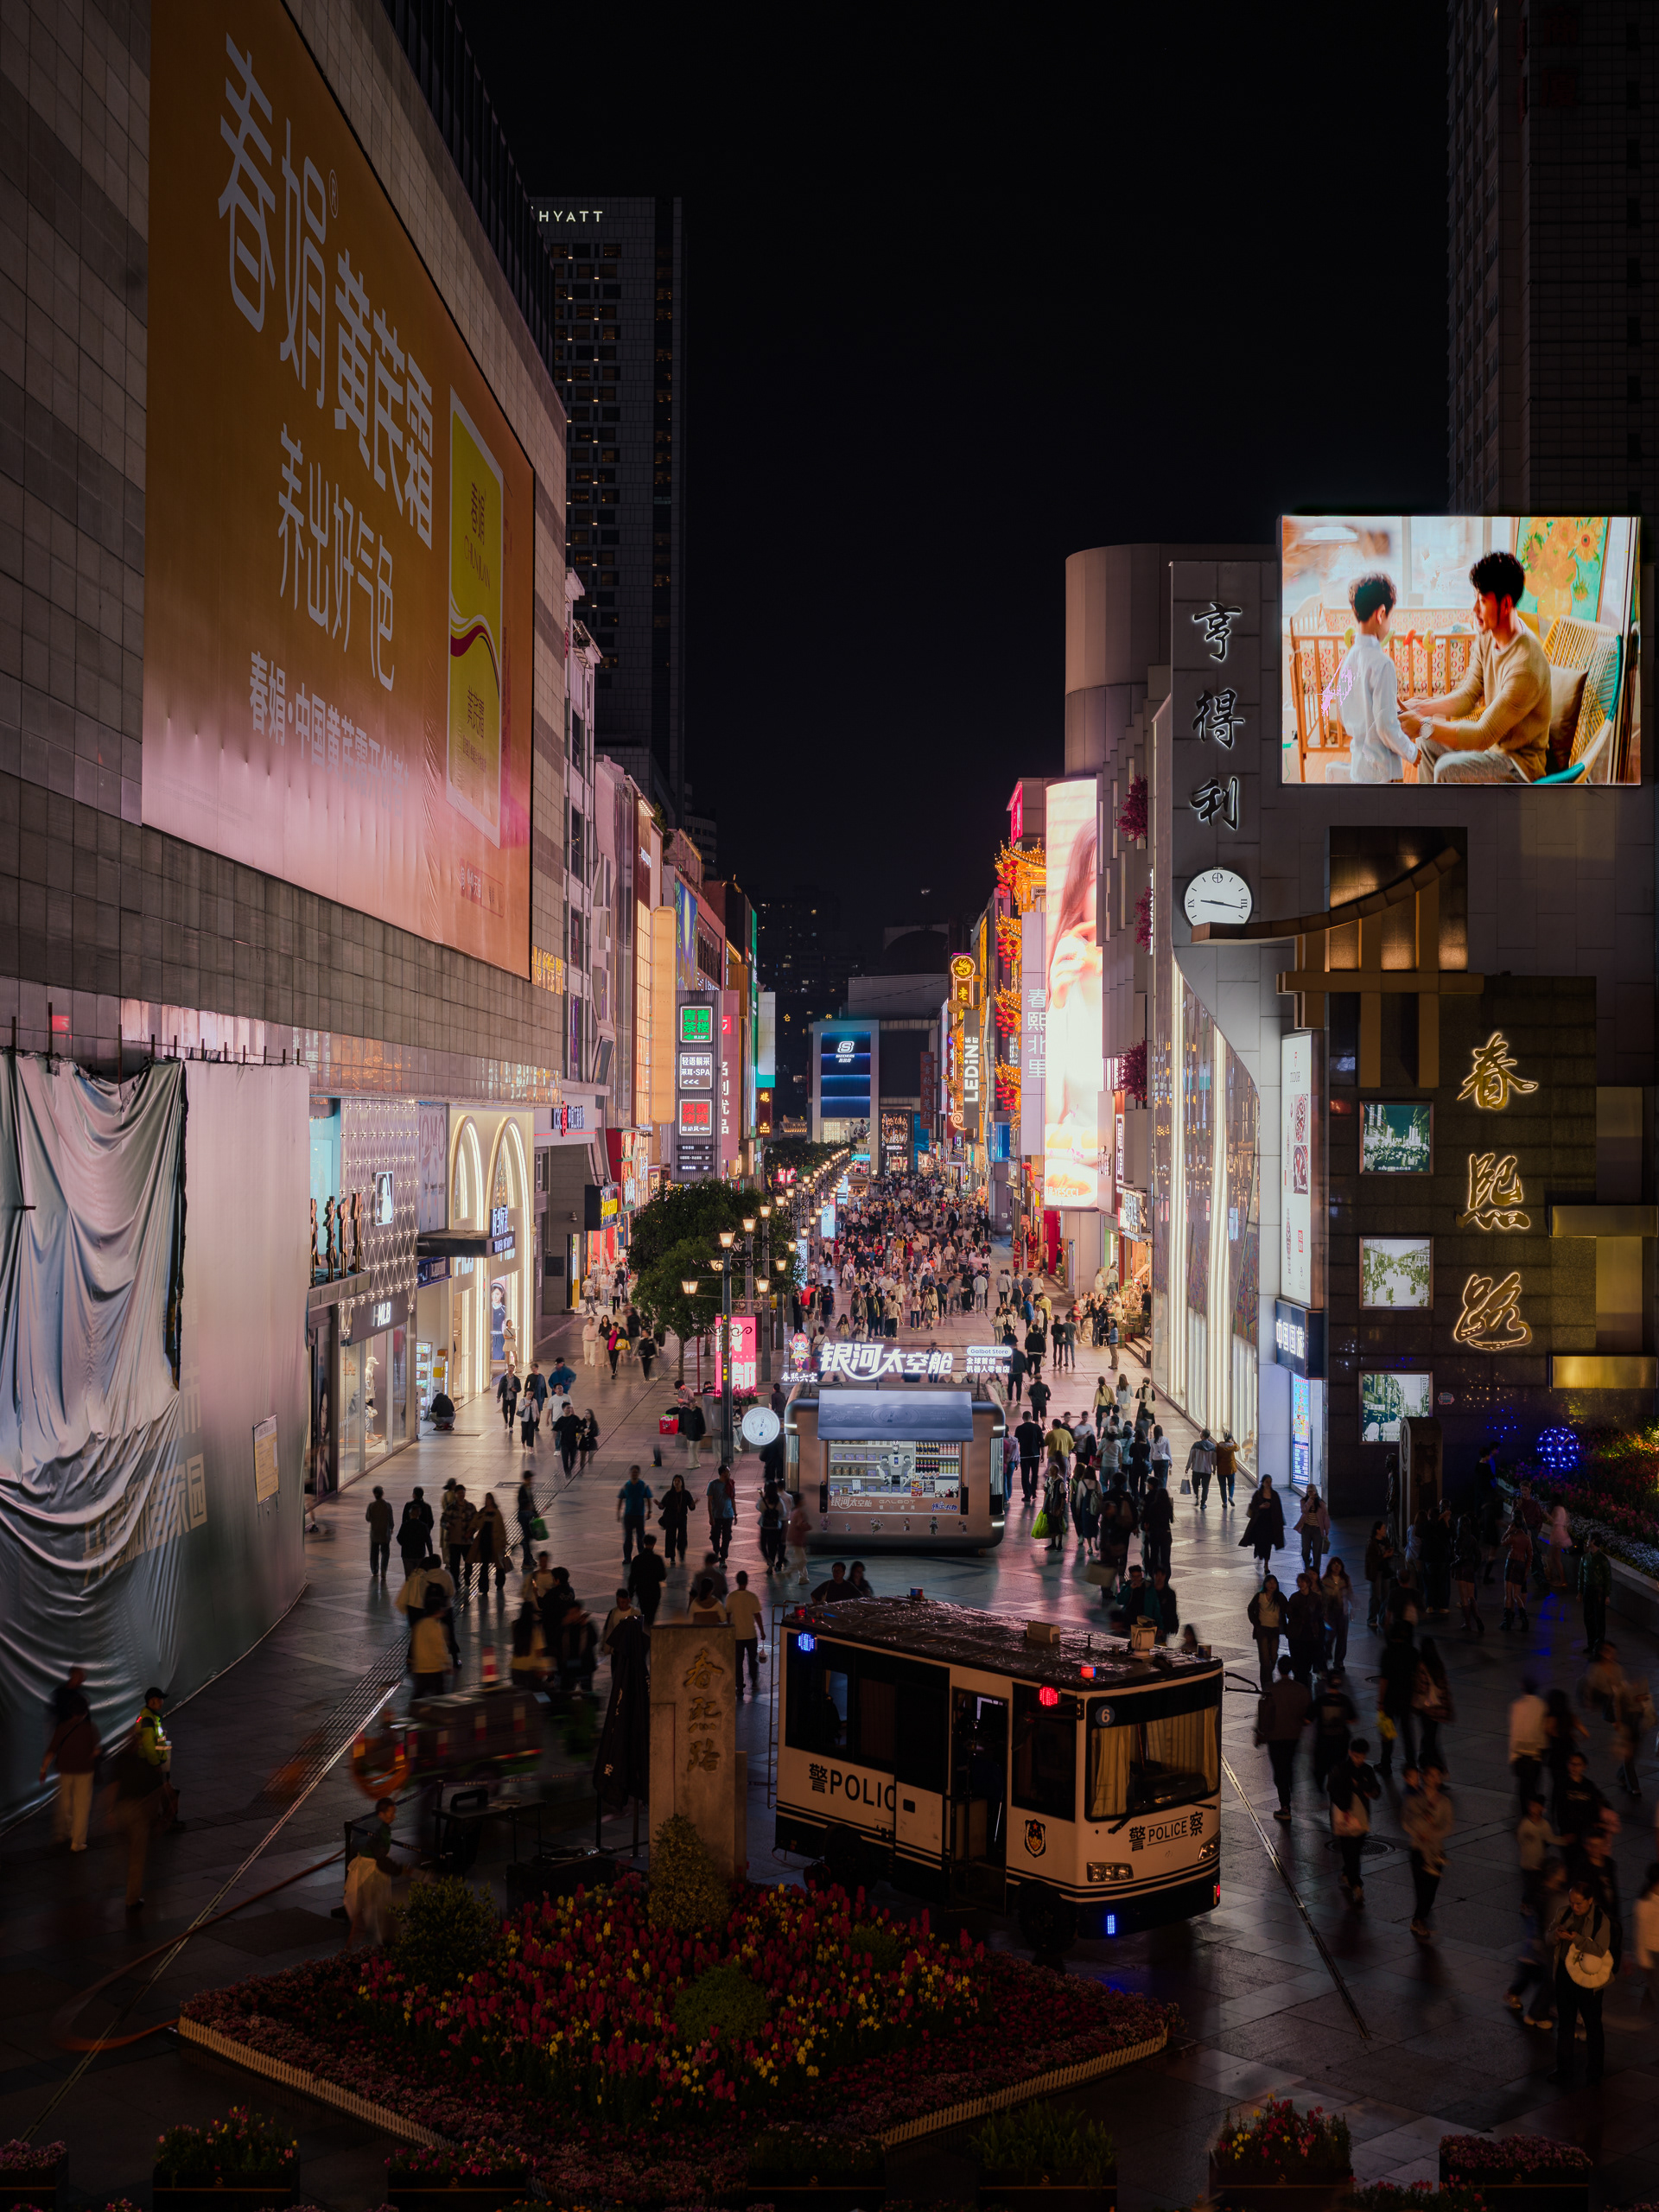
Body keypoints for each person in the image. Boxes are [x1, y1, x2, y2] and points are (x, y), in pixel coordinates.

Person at [1401, 546, 1553, 785]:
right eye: (1475, 598)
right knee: (1428, 744)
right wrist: (1423, 707)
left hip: (1519, 765)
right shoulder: (1487, 635)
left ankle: (1452, 822)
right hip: (1492, 748)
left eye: (1482, 601)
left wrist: (1422, 725)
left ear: (1505, 605)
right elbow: (1469, 694)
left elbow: (1482, 735)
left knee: (1447, 768)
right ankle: (1432, 817)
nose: (1474, 610)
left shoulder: (1526, 667)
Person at [1331, 570, 1418, 783]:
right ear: (1381, 614)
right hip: (1383, 770)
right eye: (1390, 616)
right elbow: (1385, 726)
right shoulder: (1383, 664)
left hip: (1359, 768)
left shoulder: (1349, 659)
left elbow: (1346, 711)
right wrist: (1412, 752)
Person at [1548, 1874, 1612, 2087]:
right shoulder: (1562, 1913)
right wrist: (1556, 1936)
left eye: (1579, 1903)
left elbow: (1600, 1949)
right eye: (1572, 1902)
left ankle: (1594, 2071)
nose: (1574, 1907)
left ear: (1590, 1900)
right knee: (1565, 2026)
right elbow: (1547, 1938)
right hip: (1565, 1979)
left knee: (1593, 2027)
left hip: (1589, 1984)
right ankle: (1563, 2069)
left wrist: (1576, 1939)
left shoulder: (1601, 1921)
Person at [40, 1681, 99, 1852]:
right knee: (82, 1805)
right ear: (85, 1711)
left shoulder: (62, 1727)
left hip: (65, 1770)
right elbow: (96, 1750)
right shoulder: (90, 1728)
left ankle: (65, 1831)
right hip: (84, 1771)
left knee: (65, 1803)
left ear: (71, 1711)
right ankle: (78, 1842)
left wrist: (43, 1770)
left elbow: (51, 1751)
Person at [1402, 1762, 1453, 1941]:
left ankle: (1420, 1918)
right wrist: (1419, 1832)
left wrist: (1433, 1834)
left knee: (1431, 1889)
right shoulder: (1415, 1797)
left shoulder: (1444, 1802)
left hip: (1436, 1850)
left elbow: (1447, 1825)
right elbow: (1406, 1821)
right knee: (1421, 1887)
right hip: (1418, 1848)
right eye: (1431, 1775)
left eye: (1438, 1776)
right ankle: (1419, 1919)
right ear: (1424, 1777)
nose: (1435, 1779)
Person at [1257, 1656, 1312, 1821]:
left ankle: (1285, 1805)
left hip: (1276, 1736)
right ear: (1292, 1668)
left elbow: (1264, 1715)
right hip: (1294, 1735)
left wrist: (1261, 1734)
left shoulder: (1271, 1690)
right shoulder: (1301, 1689)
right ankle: (1290, 1788)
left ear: (1278, 1670)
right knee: (1289, 1764)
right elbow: (1308, 1713)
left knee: (1279, 1770)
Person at [1328, 1735, 1380, 1904]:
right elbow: (1333, 1790)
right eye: (1357, 1756)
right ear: (1350, 1753)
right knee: (1351, 1852)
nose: (1360, 1760)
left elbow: (1376, 1790)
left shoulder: (1367, 1770)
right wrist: (1345, 1805)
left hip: (1362, 1817)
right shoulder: (1341, 1769)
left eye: (1363, 1757)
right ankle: (1356, 1885)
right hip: (1344, 1817)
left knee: (1355, 1851)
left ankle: (1347, 1873)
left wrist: (1369, 1790)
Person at [1412, 1636, 1454, 1771]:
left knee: (1430, 1740)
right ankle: (1426, 1762)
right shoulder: (1438, 1664)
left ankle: (1436, 1768)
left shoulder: (1422, 1665)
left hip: (1427, 1708)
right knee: (1431, 1737)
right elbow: (1445, 1686)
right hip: (1439, 1708)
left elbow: (1421, 1688)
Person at [1509, 1675, 1548, 1814]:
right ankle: (1535, 1811)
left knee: (1523, 1787)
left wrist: (1512, 1756)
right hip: (1536, 1754)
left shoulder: (1517, 1705)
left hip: (1521, 1754)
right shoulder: (1542, 1705)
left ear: (1522, 1687)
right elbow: (1543, 1731)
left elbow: (1515, 1732)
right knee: (1534, 1785)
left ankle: (1525, 1812)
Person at [728, 1569, 766, 1700]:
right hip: (750, 1635)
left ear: (737, 1581)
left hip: (737, 1636)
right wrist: (762, 1631)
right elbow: (757, 1616)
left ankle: (739, 1687)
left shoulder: (731, 1597)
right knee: (752, 1660)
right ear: (747, 1582)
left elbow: (727, 1615)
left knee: (738, 1662)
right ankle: (754, 1681)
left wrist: (729, 1630)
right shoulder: (752, 1597)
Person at [1248, 1574, 1286, 1692]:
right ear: (1265, 1584)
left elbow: (1287, 1608)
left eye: (1274, 1582)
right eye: (1269, 1582)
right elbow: (1250, 1609)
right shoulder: (1260, 1596)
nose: (1271, 1585)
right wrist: (1256, 1623)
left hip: (1274, 1630)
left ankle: (1267, 1678)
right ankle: (1266, 1684)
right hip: (1262, 1630)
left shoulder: (1279, 1597)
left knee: (1273, 1657)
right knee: (1264, 1658)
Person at [1242, 1478, 1285, 1580]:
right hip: (1259, 1523)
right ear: (1263, 1483)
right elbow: (1253, 1506)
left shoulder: (1274, 1495)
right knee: (1260, 1543)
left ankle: (1266, 1564)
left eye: (1270, 1481)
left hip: (1270, 1524)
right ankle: (1260, 1555)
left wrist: (1281, 1524)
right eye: (1267, 1482)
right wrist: (1261, 1506)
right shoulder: (1258, 1494)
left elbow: (1278, 1510)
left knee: (1268, 1544)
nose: (1269, 1484)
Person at [442, 1484, 477, 1602]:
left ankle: (467, 1576)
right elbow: (443, 1521)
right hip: (454, 1541)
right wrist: (446, 1525)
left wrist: (471, 1532)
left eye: (463, 1493)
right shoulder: (450, 1508)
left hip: (467, 1541)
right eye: (459, 1493)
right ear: (455, 1495)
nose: (461, 1495)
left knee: (469, 1562)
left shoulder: (471, 1507)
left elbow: (476, 1522)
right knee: (454, 1565)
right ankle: (456, 1582)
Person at [471, 1491, 511, 1596]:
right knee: (484, 1565)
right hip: (484, 1542)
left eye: (489, 1499)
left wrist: (504, 1541)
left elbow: (502, 1528)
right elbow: (475, 1523)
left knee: (499, 1565)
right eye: (486, 1499)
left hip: (496, 1542)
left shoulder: (497, 1513)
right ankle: (483, 1587)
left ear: (492, 1500)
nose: (487, 1501)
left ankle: (500, 1583)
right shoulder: (482, 1512)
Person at [1580, 1531, 1612, 1656]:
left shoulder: (1603, 1560)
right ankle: (1591, 1644)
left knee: (1599, 1618)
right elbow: (1581, 1575)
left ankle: (1599, 1646)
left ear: (1593, 1541)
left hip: (1598, 1591)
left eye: (1589, 1539)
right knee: (1588, 1617)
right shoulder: (1585, 1558)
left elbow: (1607, 1578)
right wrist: (1580, 1592)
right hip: (1588, 1589)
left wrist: (1607, 1594)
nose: (1587, 1541)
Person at [1500, 1515, 1534, 1631]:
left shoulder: (1513, 1537)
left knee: (1508, 1594)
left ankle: (1507, 1622)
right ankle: (1525, 1618)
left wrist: (1508, 1530)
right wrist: (1526, 1571)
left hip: (1511, 1563)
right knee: (1516, 1595)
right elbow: (1530, 1556)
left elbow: (1502, 1542)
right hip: (1521, 1565)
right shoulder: (1527, 1538)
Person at [1453, 1512, 1484, 1636]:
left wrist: (1453, 1565)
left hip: (1461, 1570)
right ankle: (1477, 1617)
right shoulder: (1473, 1539)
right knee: (1472, 1597)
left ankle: (1468, 1623)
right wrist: (1474, 1567)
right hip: (1470, 1569)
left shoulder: (1458, 1541)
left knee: (1464, 1599)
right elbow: (1478, 1555)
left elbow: (1458, 1556)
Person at [626, 1533, 667, 1628]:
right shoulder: (657, 1559)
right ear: (654, 1543)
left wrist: (631, 1594)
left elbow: (632, 1578)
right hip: (654, 1591)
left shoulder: (637, 1559)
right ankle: (649, 1629)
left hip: (642, 1591)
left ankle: (645, 1629)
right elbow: (662, 1576)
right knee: (651, 1615)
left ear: (644, 1543)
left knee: (644, 1612)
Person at [1321, 1556, 1354, 1672]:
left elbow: (1350, 1594)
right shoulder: (1325, 1581)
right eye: (1334, 1565)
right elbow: (1322, 1598)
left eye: (1338, 1565)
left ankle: (1339, 1661)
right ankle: (1326, 1655)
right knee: (1330, 1635)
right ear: (1330, 1567)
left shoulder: (1345, 1579)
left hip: (1342, 1611)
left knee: (1342, 1637)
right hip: (1329, 1613)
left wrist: (1353, 1607)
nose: (1336, 1567)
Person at [616, 1464, 654, 1562]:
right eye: (633, 1472)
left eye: (636, 1472)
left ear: (639, 1473)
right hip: (628, 1516)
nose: (634, 1474)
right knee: (628, 1538)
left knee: (641, 1537)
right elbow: (620, 1499)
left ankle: (642, 1555)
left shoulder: (643, 1485)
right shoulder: (626, 1486)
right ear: (630, 1473)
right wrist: (618, 1512)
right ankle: (627, 1557)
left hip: (639, 1516)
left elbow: (648, 1498)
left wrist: (649, 1511)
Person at [1364, 1519, 1395, 1630]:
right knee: (1375, 1596)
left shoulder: (1385, 1541)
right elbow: (1372, 1560)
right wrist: (1384, 1556)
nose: (1385, 1530)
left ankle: (1382, 1618)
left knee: (1386, 1596)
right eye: (1383, 1529)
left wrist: (1389, 1554)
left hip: (1385, 1571)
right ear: (1377, 1530)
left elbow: (1387, 1556)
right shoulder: (1372, 1543)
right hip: (1376, 1572)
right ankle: (1371, 1619)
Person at [658, 1472, 692, 1567]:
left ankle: (681, 1553)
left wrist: (693, 1504)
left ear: (682, 1483)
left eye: (678, 1481)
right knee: (670, 1538)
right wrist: (659, 1505)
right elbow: (663, 1505)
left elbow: (691, 1506)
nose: (676, 1483)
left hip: (682, 1519)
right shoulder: (669, 1494)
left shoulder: (686, 1494)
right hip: (670, 1519)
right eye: (675, 1481)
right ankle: (672, 1557)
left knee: (682, 1537)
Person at [397, 1487, 433, 1577]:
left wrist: (405, 1544)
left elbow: (400, 1537)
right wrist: (426, 1532)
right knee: (419, 1576)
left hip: (407, 1552)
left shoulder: (408, 1506)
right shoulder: (426, 1507)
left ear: (414, 1495)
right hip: (420, 1550)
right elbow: (431, 1522)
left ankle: (410, 1590)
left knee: (409, 1577)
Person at [1295, 1486, 1330, 1579]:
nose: (1311, 1493)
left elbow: (1325, 1517)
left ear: (1316, 1492)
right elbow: (1304, 1510)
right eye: (1309, 1492)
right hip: (1306, 1528)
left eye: (1312, 1491)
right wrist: (1310, 1500)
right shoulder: (1304, 1501)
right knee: (1305, 1550)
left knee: (1317, 1551)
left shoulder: (1321, 1503)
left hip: (1317, 1530)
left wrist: (1326, 1531)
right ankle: (1307, 1564)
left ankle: (1316, 1571)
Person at [364, 1485, 393, 1580]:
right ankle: (384, 1570)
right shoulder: (387, 1505)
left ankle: (374, 1570)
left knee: (374, 1553)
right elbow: (391, 1520)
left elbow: (368, 1518)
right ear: (382, 1494)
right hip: (385, 1533)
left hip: (375, 1533)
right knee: (385, 1552)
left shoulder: (371, 1506)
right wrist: (391, 1527)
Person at [785, 1496, 813, 1586]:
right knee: (802, 1560)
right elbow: (800, 1524)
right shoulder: (799, 1512)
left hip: (793, 1538)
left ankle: (803, 1577)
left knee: (800, 1558)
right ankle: (789, 1571)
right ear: (800, 1502)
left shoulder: (793, 1512)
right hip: (797, 1539)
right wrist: (808, 1526)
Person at [1186, 1427, 1216, 1510]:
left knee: (1195, 1484)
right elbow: (1214, 1459)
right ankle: (1203, 1503)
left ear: (1202, 1435)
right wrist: (1214, 1468)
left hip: (1197, 1469)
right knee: (1205, 1487)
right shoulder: (1212, 1446)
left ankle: (1196, 1498)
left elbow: (1191, 1457)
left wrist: (1188, 1467)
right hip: (1207, 1470)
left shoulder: (1196, 1445)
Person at [514, 1476, 538, 1574]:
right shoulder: (522, 1489)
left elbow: (532, 1503)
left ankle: (529, 1558)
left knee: (529, 1537)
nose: (530, 1481)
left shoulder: (528, 1488)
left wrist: (535, 1513)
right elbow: (521, 1501)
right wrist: (527, 1505)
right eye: (529, 1479)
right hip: (523, 1516)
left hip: (528, 1516)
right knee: (527, 1538)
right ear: (525, 1479)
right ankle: (526, 1562)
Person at [553, 1400, 583, 1476]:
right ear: (563, 1409)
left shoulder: (575, 1418)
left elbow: (580, 1429)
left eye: (570, 1408)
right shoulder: (560, 1420)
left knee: (573, 1460)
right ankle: (567, 1474)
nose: (569, 1409)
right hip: (564, 1443)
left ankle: (569, 1470)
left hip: (573, 1443)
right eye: (567, 1408)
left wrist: (578, 1437)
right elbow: (555, 1431)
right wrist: (554, 1442)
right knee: (565, 1460)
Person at [680, 1395, 707, 1469]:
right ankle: (696, 1462)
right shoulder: (687, 1412)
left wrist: (702, 1432)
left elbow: (702, 1423)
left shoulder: (698, 1412)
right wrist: (684, 1431)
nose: (691, 1405)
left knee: (692, 1449)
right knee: (692, 1450)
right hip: (689, 1434)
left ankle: (692, 1463)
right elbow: (685, 1422)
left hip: (696, 1435)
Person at [1213, 1430, 1237, 1510]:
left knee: (1222, 1486)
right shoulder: (1233, 1446)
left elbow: (1215, 1450)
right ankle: (1230, 1496)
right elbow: (1238, 1448)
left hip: (1221, 1469)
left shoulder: (1219, 1445)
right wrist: (1234, 1441)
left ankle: (1224, 1502)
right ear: (1231, 1438)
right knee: (1231, 1484)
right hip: (1230, 1469)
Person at [497, 1363, 520, 1432]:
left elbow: (519, 1388)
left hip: (512, 1398)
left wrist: (515, 1389)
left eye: (512, 1368)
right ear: (508, 1369)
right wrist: (498, 1396)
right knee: (504, 1410)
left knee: (512, 1412)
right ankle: (506, 1421)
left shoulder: (516, 1379)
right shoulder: (504, 1378)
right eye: (510, 1368)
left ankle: (511, 1426)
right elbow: (500, 1387)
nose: (511, 1369)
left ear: (513, 1370)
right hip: (506, 1397)